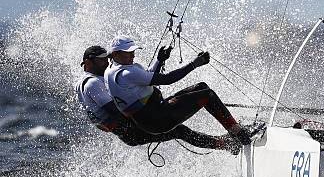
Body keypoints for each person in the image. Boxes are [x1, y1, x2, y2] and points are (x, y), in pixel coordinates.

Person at [75, 45, 240, 153]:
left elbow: (143, 80)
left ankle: (227, 142)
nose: (106, 63)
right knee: (180, 130)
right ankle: (228, 143)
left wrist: (159, 61)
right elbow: (115, 111)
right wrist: (149, 113)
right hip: (133, 131)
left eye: (106, 59)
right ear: (87, 63)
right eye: (101, 60)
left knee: (198, 91)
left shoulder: (96, 79)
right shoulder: (92, 84)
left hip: (136, 125)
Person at [104, 35, 252, 145]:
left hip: (155, 112)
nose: (132, 54)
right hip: (156, 119)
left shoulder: (111, 70)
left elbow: (145, 77)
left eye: (133, 51)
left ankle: (230, 139)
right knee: (208, 95)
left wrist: (159, 60)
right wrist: (195, 64)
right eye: (127, 52)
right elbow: (168, 79)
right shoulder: (126, 73)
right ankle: (239, 134)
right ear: (115, 54)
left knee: (201, 87)